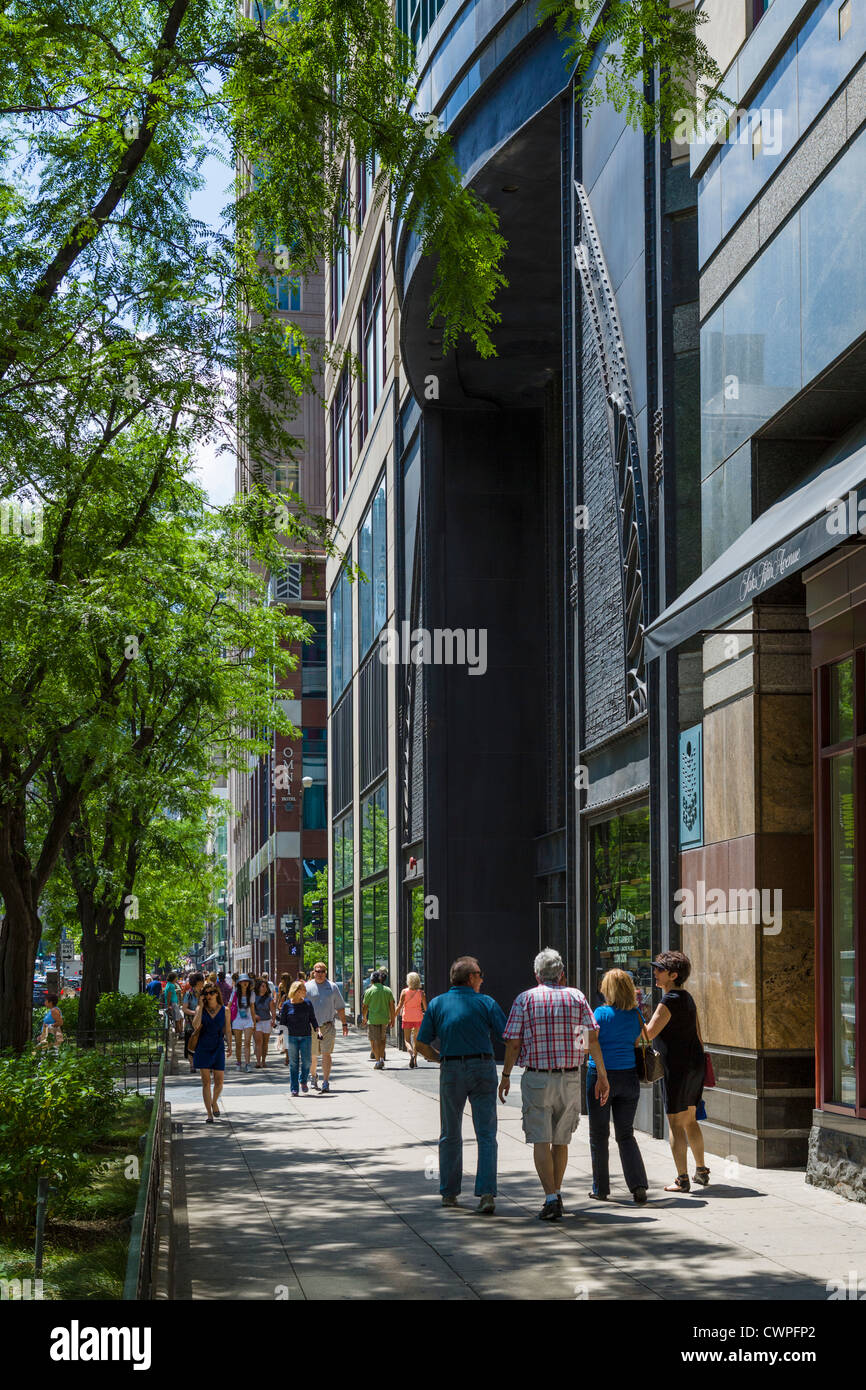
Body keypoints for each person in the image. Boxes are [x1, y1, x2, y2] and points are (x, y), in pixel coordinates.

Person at [499, 948, 608, 1221]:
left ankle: (550, 1197)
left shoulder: (525, 999)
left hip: (537, 1077)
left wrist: (506, 1075)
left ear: (537, 974)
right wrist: (603, 1075)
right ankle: (556, 1192)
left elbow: (513, 1042)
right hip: (570, 1077)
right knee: (561, 1140)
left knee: (541, 1139)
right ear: (561, 973)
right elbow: (590, 1040)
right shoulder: (576, 997)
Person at [416, 956, 506, 1215]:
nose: (482, 978)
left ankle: (449, 1192)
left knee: (450, 1132)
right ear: (471, 978)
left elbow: (422, 1043)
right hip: (482, 1068)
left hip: (452, 1069)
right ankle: (486, 1193)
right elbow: (507, 1035)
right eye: (479, 974)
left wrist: (439, 1058)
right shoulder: (486, 1002)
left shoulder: (437, 1003)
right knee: (486, 1134)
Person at [645, 951, 709, 1193]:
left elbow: (648, 1034)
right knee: (690, 1120)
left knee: (675, 1123)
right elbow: (699, 1037)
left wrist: (633, 1016)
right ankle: (701, 1170)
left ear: (673, 975)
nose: (655, 973)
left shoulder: (669, 1000)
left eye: (659, 970)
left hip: (676, 1068)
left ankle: (682, 1179)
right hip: (694, 1065)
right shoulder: (687, 998)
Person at [585, 968, 649, 1205]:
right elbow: (634, 1041)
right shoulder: (636, 1015)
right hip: (629, 1077)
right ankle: (639, 1185)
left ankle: (601, 1188)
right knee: (626, 1134)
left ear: (607, 989)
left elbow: (586, 1045)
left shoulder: (600, 1014)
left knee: (599, 1134)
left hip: (601, 1077)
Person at [191, 981, 232, 1122]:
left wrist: (230, 1046)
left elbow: (227, 1029)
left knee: (219, 1082)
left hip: (218, 1046)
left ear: (216, 994)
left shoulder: (225, 1010)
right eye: (206, 993)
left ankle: (214, 1102)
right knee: (206, 1082)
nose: (209, 996)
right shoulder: (199, 1009)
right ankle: (209, 1113)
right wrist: (201, 1007)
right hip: (203, 1047)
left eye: (211, 993)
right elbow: (195, 1025)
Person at [278, 979, 322, 1096]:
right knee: (293, 1063)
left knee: (307, 1061)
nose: (305, 991)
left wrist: (318, 1030)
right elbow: (283, 1022)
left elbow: (312, 1018)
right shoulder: (287, 1005)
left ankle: (302, 1080)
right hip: (292, 1037)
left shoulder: (307, 1003)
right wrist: (281, 1037)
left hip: (305, 1036)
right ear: (297, 991)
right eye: (303, 989)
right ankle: (294, 1088)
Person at [362, 970, 396, 1069]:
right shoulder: (387, 990)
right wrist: (392, 1018)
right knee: (382, 1039)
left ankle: (377, 1061)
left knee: (373, 1040)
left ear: (372, 980)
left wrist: (364, 1017)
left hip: (373, 1020)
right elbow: (392, 1006)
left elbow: (365, 1006)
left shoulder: (369, 991)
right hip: (384, 1020)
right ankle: (381, 1058)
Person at [395, 972, 427, 1068]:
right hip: (418, 1017)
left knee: (407, 1039)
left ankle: (411, 1053)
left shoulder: (404, 992)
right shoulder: (421, 993)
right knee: (416, 1039)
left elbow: (399, 1006)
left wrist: (392, 1017)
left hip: (407, 1017)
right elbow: (426, 1008)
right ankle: (416, 1060)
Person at [231, 974, 255, 1071]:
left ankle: (248, 1064)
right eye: (243, 981)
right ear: (239, 983)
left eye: (247, 981)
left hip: (248, 1021)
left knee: (247, 1043)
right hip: (237, 1021)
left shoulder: (252, 993)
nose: (245, 983)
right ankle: (238, 1062)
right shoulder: (235, 993)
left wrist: (254, 1022)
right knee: (238, 1043)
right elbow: (229, 1006)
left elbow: (253, 1009)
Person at [181, 973, 204, 1074]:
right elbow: (184, 1008)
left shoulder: (205, 993)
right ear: (197, 982)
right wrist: (196, 1012)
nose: (203, 982)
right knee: (191, 1043)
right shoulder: (188, 994)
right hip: (190, 1022)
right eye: (201, 981)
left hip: (203, 1022)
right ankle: (192, 1065)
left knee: (203, 1043)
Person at [252, 977, 275, 1069]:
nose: (264, 988)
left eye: (265, 986)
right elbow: (251, 1010)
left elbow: (273, 1011)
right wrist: (254, 1016)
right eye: (262, 986)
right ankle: (258, 1062)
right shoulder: (253, 997)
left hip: (267, 1022)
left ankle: (263, 1061)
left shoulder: (269, 999)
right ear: (258, 987)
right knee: (258, 1042)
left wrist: (273, 1020)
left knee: (265, 1043)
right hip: (257, 1022)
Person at [164, 971, 182, 1035]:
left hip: (173, 1003)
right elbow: (169, 996)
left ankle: (179, 1032)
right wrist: (169, 1005)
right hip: (173, 1003)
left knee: (179, 1018)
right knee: (177, 1019)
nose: (176, 979)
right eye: (176, 978)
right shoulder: (171, 985)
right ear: (173, 978)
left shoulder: (168, 984)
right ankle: (179, 1033)